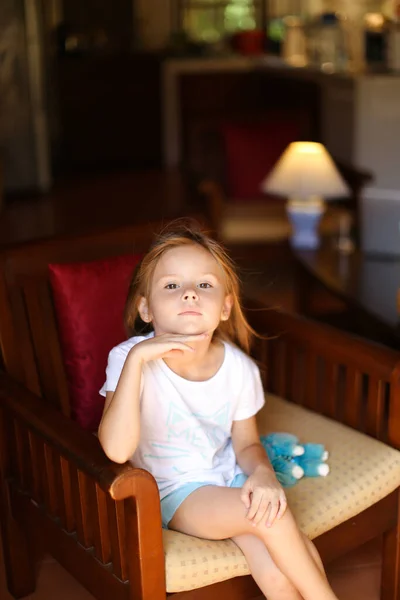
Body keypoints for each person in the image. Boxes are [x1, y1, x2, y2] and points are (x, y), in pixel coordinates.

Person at [98, 223, 339, 600]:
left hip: (228, 479)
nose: (190, 294)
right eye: (172, 286)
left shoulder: (239, 368)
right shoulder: (127, 359)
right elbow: (115, 450)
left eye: (205, 285)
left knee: (280, 569)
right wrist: (139, 358)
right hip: (175, 491)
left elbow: (246, 444)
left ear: (225, 306)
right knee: (273, 520)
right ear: (145, 307)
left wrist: (263, 475)